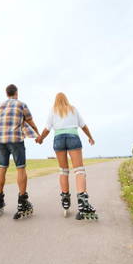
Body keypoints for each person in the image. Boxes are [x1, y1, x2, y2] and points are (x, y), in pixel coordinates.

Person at [36, 92, 98, 220]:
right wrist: (90, 137)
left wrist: (41, 138)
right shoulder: (73, 109)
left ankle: (65, 200)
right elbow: (83, 126)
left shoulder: (53, 110)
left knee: (63, 170)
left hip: (58, 139)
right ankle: (83, 203)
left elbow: (47, 128)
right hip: (73, 137)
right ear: (66, 100)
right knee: (79, 170)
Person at [0, 84, 40, 219]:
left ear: (6, 93)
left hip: (1, 140)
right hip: (15, 139)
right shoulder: (21, 104)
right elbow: (30, 122)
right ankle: (22, 202)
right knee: (20, 168)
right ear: (16, 93)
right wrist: (38, 136)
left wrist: (0, 136)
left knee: (2, 168)